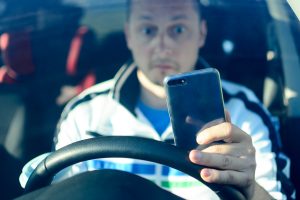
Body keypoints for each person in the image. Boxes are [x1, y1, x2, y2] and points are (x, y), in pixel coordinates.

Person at [20, 0, 294, 199]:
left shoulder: (242, 113)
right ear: (129, 34)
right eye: (148, 30)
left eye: (177, 30)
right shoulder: (86, 113)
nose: (162, 45)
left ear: (201, 33)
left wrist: (250, 188)